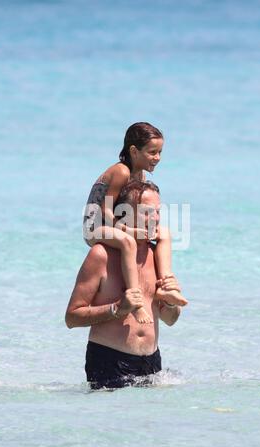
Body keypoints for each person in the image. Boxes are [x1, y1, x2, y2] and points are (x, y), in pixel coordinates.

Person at [66, 180, 188, 390]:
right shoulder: (101, 255)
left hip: (152, 362)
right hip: (109, 361)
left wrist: (169, 304)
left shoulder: (156, 255)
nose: (156, 219)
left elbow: (171, 319)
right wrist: (116, 309)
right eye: (147, 212)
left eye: (158, 212)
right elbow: (72, 317)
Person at [83, 122, 187, 324]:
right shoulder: (121, 171)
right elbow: (105, 209)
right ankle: (136, 302)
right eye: (152, 152)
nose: (158, 158)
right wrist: (128, 230)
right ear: (134, 151)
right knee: (127, 242)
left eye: (160, 152)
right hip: (95, 227)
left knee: (164, 233)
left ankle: (165, 286)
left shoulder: (141, 175)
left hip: (117, 223)